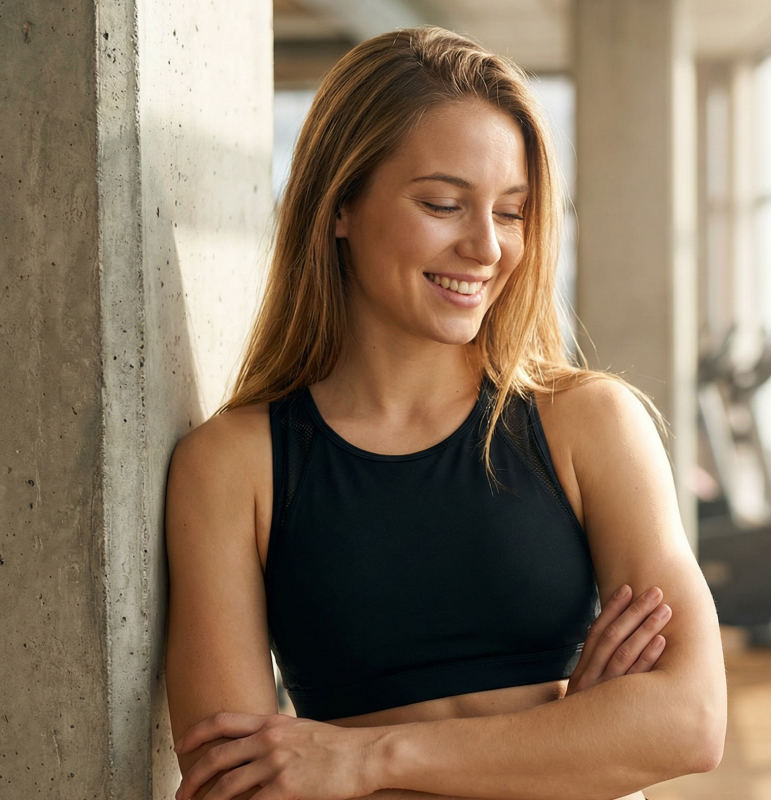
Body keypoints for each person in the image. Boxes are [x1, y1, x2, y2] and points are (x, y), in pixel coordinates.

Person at [164, 26, 726, 800]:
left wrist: (363, 758)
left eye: (512, 211)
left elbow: (690, 721)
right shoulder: (231, 465)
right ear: (340, 206)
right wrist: (575, 747)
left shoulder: (590, 424)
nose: (487, 248)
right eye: (442, 203)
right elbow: (238, 785)